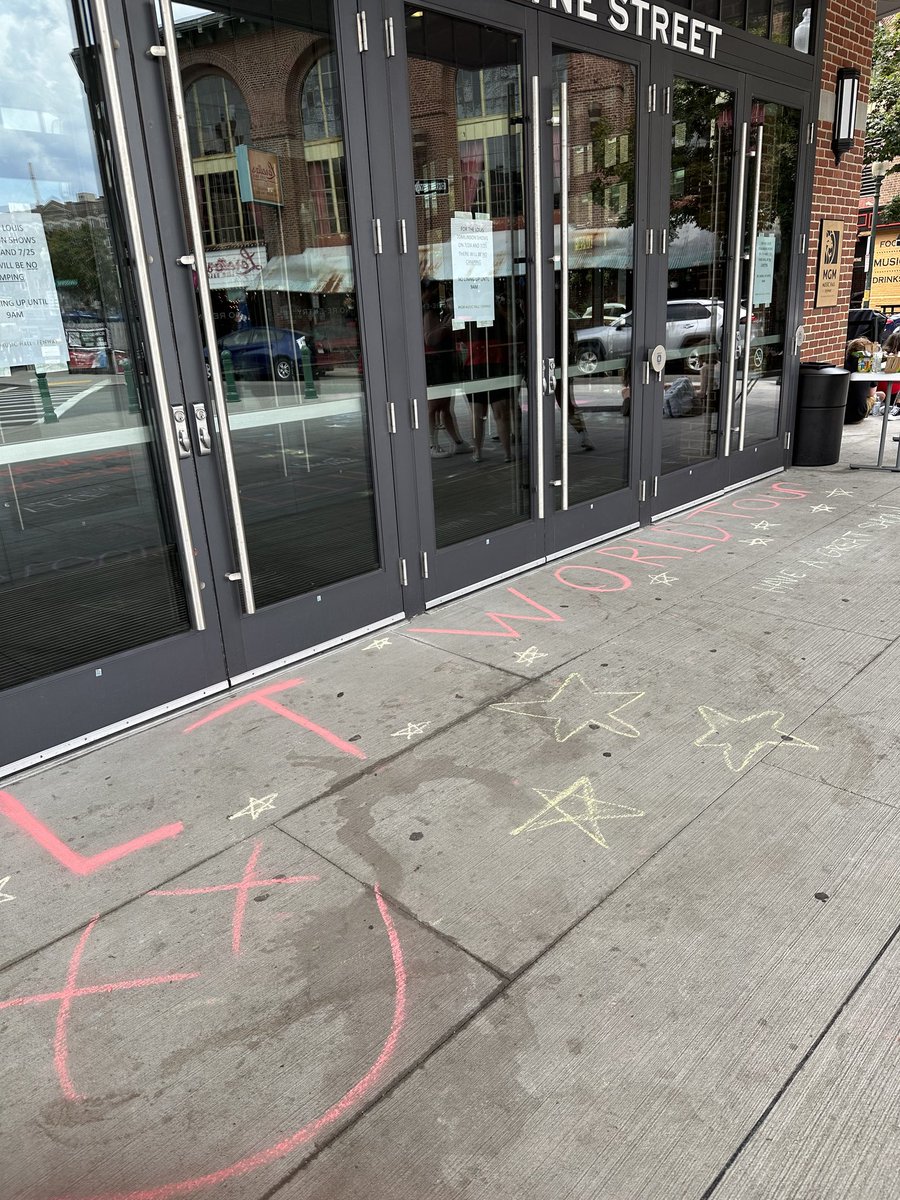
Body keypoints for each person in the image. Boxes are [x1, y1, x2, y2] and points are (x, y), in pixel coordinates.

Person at [421, 279, 468, 456]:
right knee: (434, 406)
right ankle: (432, 445)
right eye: (433, 291)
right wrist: (446, 326)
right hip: (435, 363)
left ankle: (457, 442)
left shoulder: (433, 312)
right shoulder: (428, 312)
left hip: (442, 362)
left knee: (445, 405)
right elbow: (430, 339)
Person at [844, 337, 878, 424]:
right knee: (873, 397)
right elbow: (871, 393)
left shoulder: (844, 364)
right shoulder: (868, 368)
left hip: (839, 413)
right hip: (857, 414)